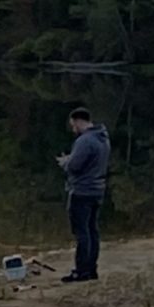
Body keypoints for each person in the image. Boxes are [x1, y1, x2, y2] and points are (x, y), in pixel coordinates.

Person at [55, 106, 110, 283]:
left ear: (79, 121)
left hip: (82, 191)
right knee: (93, 231)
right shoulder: (103, 138)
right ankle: (91, 269)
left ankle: (81, 271)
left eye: (73, 125)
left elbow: (74, 166)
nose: (73, 129)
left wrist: (65, 162)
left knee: (81, 233)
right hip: (97, 190)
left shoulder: (85, 141)